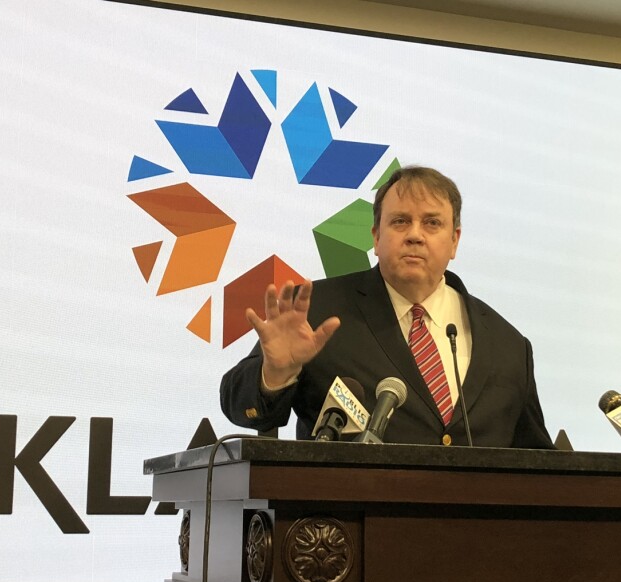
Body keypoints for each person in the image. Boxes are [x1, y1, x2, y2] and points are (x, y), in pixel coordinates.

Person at [220, 166, 553, 448]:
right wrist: (276, 373)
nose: (415, 236)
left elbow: (537, 463)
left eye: (432, 223)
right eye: (400, 222)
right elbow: (241, 406)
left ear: (455, 240)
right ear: (376, 236)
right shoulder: (319, 311)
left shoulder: (507, 344)